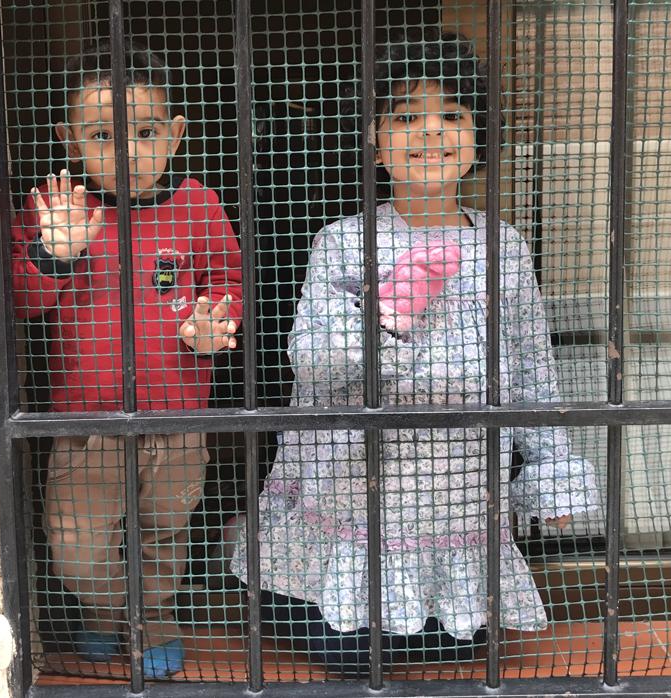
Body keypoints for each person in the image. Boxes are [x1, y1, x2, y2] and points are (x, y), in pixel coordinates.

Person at [225, 26, 600, 676]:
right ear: (374, 137)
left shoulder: (501, 246)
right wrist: (387, 321)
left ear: (478, 133)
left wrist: (551, 465)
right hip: (357, 477)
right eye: (405, 116)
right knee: (347, 654)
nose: (430, 132)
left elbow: (531, 367)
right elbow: (308, 359)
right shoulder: (343, 243)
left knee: (458, 646)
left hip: (458, 480)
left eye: (450, 115)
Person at [11, 40, 243, 678]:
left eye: (144, 132)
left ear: (175, 135)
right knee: (77, 545)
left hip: (177, 416)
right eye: (101, 135)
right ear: (69, 138)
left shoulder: (196, 204)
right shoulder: (55, 209)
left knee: (163, 532)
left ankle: (148, 614)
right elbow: (20, 303)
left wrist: (212, 321)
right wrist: (55, 252)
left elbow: (230, 278)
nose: (126, 150)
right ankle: (119, 614)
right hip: (87, 422)